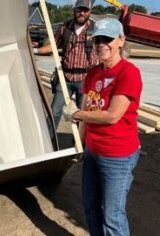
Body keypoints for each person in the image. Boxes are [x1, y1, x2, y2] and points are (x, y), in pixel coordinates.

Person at [63, 18, 143, 236]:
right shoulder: (93, 73)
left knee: (112, 215)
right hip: (92, 151)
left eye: (107, 39)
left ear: (120, 41)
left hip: (117, 155)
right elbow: (87, 111)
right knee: (90, 207)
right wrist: (81, 143)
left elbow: (112, 116)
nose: (101, 44)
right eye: (97, 39)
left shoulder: (128, 73)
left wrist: (76, 114)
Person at [34, 0, 98, 128]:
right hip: (65, 79)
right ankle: (50, 142)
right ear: (74, 10)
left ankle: (79, 145)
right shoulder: (65, 27)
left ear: (90, 12)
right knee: (55, 112)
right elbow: (52, 45)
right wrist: (34, 50)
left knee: (84, 115)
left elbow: (103, 51)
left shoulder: (95, 31)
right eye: (79, 10)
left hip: (85, 80)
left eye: (85, 10)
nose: (82, 13)